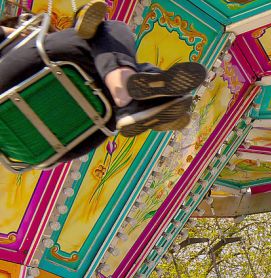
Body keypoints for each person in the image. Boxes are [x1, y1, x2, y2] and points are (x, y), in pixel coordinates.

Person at [0, 1, 205, 161]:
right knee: (109, 30)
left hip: (36, 149)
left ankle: (140, 100)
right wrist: (21, 27)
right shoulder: (20, 41)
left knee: (103, 62)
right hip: (81, 126)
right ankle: (136, 99)